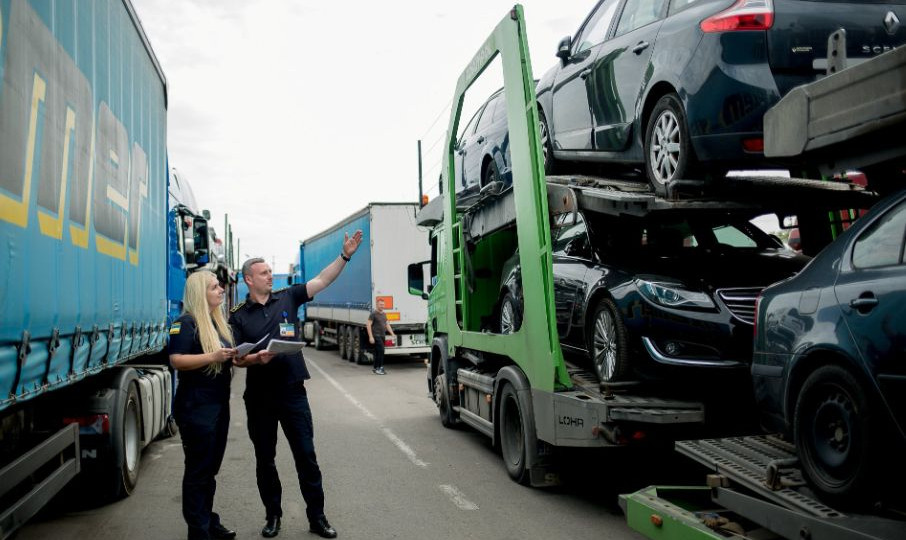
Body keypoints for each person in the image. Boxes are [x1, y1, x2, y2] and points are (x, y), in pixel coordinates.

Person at [229, 231, 362, 539]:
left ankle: (317, 517)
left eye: (268, 272)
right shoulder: (237, 316)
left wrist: (345, 255)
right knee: (265, 459)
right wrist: (254, 360)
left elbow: (323, 280)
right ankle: (272, 516)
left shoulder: (288, 296)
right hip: (259, 397)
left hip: (292, 392)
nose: (269, 277)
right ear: (248, 279)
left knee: (306, 456)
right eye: (263, 274)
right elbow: (235, 358)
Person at [168, 271, 239, 540]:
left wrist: (249, 356)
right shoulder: (185, 323)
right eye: (214, 287)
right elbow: (177, 360)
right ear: (200, 293)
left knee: (210, 470)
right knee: (198, 471)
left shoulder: (217, 323)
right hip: (196, 408)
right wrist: (213, 355)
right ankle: (198, 531)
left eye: (220, 286)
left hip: (219, 406)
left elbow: (227, 359)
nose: (221, 290)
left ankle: (208, 521)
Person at [366, 297, 396, 375]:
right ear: (377, 305)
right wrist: (370, 336)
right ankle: (380, 367)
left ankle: (376, 368)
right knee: (381, 350)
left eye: (383, 305)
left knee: (377, 352)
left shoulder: (384, 314)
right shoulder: (373, 314)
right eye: (380, 305)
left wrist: (392, 333)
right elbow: (368, 325)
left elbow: (387, 324)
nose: (382, 306)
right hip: (376, 335)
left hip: (383, 335)